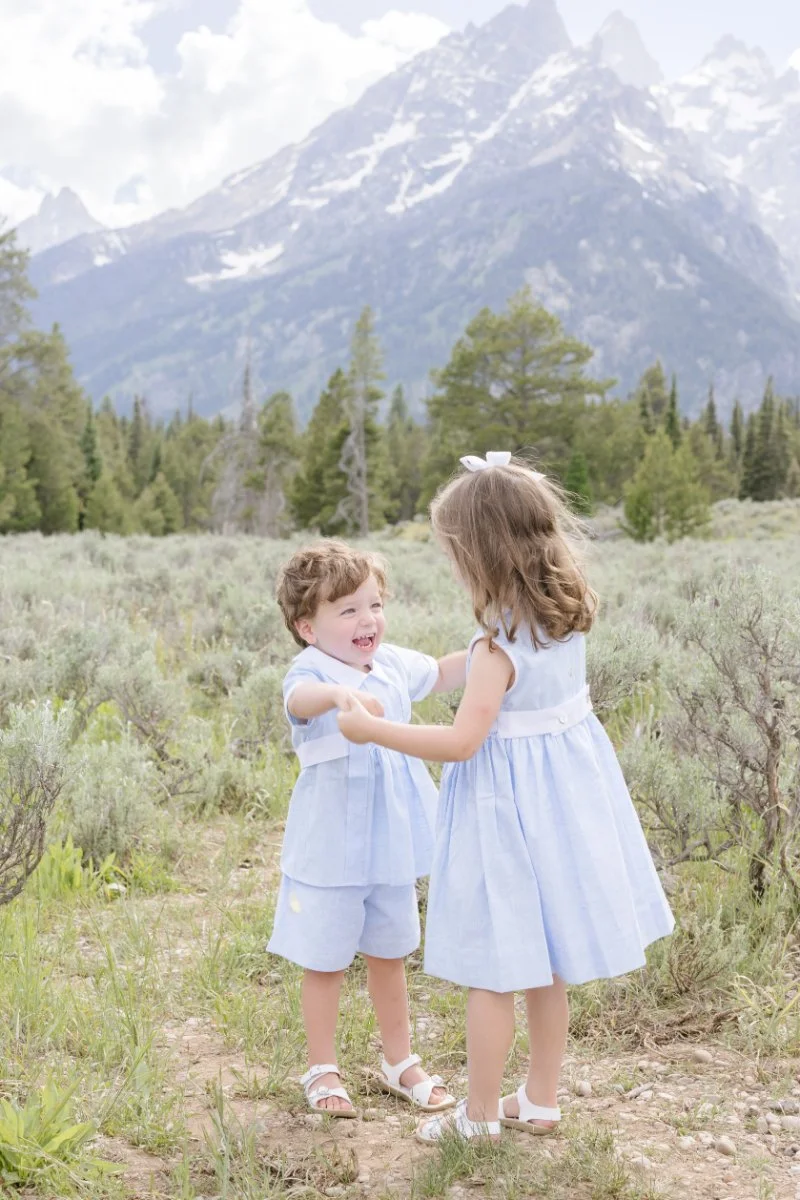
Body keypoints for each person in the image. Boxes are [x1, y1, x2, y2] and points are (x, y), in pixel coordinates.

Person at [337, 453, 675, 1143]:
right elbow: (457, 672)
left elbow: (464, 740)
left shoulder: (499, 650)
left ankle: (481, 1115)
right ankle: (540, 1099)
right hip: (564, 809)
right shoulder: (558, 620)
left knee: (492, 967)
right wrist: (405, 676)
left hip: (506, 816)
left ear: (482, 555)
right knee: (546, 960)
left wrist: (374, 729)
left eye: (455, 554)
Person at [269, 540, 467, 1119]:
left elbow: (445, 671)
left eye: (374, 605)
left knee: (390, 951)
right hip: (330, 847)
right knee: (325, 959)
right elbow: (299, 702)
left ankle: (399, 1060)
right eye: (348, 610)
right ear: (309, 626)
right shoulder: (311, 673)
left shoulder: (396, 663)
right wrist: (338, 694)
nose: (368, 621)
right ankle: (322, 1067)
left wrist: (495, 647)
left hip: (392, 845)